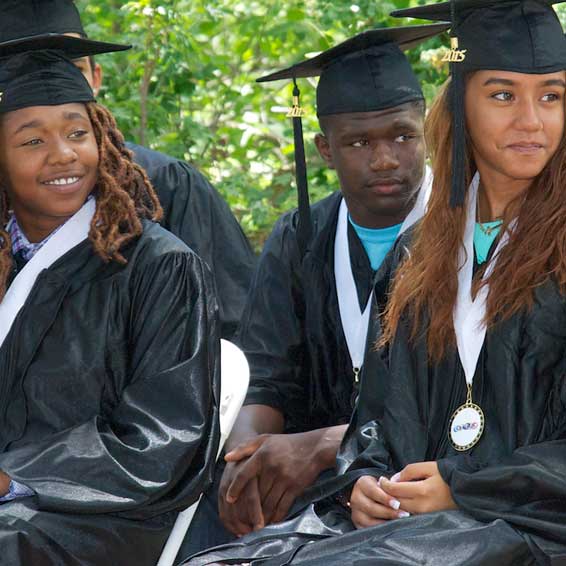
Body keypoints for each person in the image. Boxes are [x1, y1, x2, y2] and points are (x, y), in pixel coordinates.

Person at [182, 0, 566, 564]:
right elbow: (381, 422)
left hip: (532, 527)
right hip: (426, 528)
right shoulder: (423, 256)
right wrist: (365, 484)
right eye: (503, 95)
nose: (531, 120)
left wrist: (464, 485)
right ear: (459, 104)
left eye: (552, 95)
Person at [179, 23, 448, 558]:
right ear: (325, 148)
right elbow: (267, 376)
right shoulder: (301, 236)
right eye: (358, 142)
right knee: (205, 524)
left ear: (427, 130)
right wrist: (248, 463)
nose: (386, 159)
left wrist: (327, 445)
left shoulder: (463, 231)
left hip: (424, 479)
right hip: (326, 485)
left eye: (401, 135)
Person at [0, 46, 220, 565]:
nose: (63, 154)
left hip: (106, 515)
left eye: (78, 133)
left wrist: (17, 476)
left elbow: (163, 438)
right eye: (33, 140)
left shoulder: (159, 268)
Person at [0, 0, 257, 339]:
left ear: (95, 77)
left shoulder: (168, 185)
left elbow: (232, 325)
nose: (47, 85)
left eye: (70, 66)